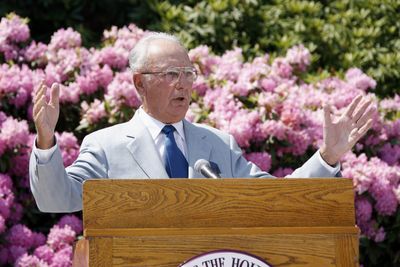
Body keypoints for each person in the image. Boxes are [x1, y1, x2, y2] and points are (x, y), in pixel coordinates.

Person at [29, 33, 375, 213]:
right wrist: (46, 142)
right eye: (170, 74)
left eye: (188, 73)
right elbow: (56, 199)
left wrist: (327, 156)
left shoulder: (218, 145)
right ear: (139, 83)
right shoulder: (105, 145)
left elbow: (274, 199)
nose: (183, 83)